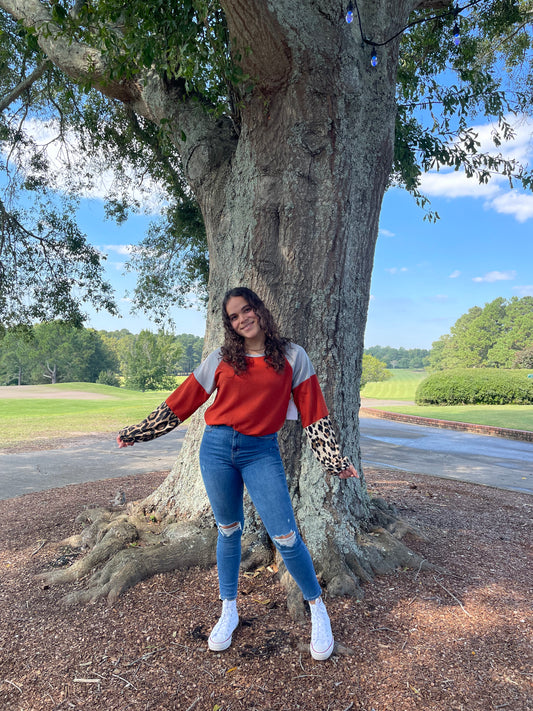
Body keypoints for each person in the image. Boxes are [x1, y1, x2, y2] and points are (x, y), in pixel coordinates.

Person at [117, 287, 358, 661]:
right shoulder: (222, 359)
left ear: (259, 310)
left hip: (260, 451)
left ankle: (317, 610)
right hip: (216, 449)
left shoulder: (293, 356)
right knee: (228, 530)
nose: (242, 319)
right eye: (233, 316)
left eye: (247, 310)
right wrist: (138, 433)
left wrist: (335, 461)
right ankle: (228, 610)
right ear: (229, 324)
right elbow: (182, 402)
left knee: (286, 535)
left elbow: (314, 412)